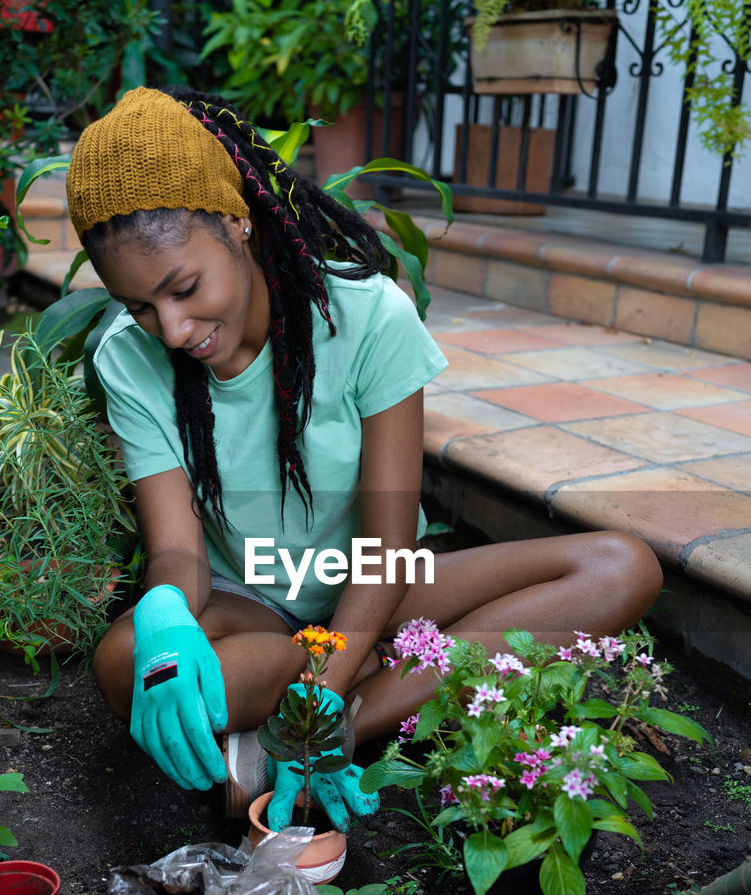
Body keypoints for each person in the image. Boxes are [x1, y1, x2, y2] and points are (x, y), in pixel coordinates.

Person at [65, 85, 664, 832]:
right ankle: (387, 678)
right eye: (142, 308)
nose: (175, 330)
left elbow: (387, 546)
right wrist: (163, 615)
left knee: (621, 568)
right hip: (248, 601)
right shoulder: (129, 361)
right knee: (124, 663)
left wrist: (326, 678)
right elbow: (180, 552)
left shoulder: (366, 314)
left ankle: (322, 727)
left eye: (184, 288)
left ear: (235, 221)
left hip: (378, 583)